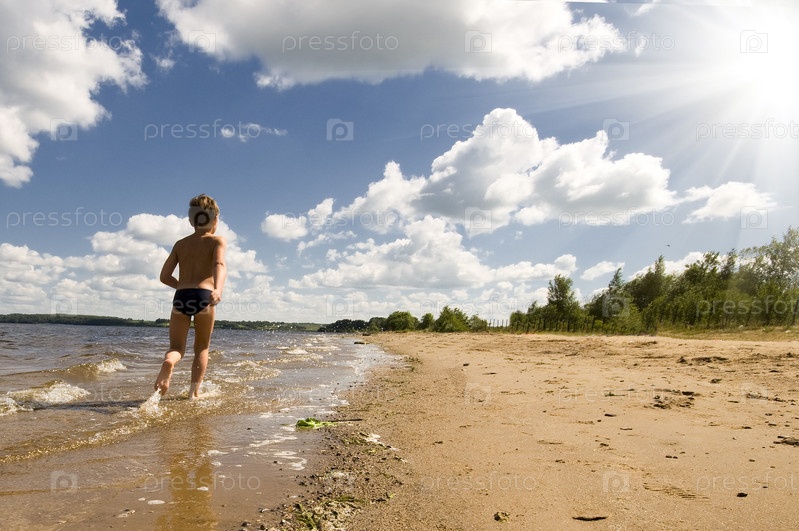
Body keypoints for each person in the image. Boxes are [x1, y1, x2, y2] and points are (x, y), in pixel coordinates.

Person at [154, 194, 227, 398]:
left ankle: (169, 362)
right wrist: (218, 289)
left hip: (181, 297)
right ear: (215, 219)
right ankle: (193, 393)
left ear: (191, 220)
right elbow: (219, 264)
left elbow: (164, 276)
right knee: (202, 347)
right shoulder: (217, 241)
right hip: (204, 296)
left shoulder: (180, 244)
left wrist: (183, 286)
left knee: (176, 348)